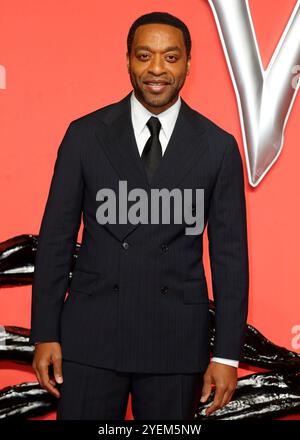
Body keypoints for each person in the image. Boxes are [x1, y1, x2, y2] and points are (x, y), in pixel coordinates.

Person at [29, 11, 249, 420]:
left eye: (170, 57)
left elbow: (230, 258)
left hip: (176, 342)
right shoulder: (85, 135)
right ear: (128, 59)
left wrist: (228, 356)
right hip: (91, 338)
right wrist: (44, 332)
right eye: (144, 55)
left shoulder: (218, 147)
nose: (156, 69)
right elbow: (56, 240)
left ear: (187, 63)